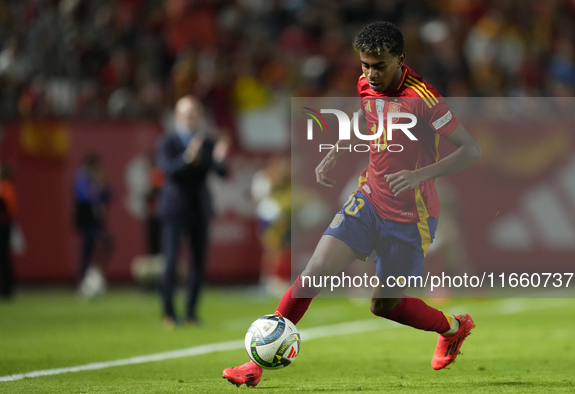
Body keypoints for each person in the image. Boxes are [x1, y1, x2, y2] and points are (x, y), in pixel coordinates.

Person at [223, 21, 482, 387]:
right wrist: (336, 149)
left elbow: (471, 150)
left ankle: (454, 328)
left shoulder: (423, 99)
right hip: (369, 199)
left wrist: (419, 176)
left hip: (411, 215)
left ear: (400, 59)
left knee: (384, 305)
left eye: (379, 65)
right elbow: (366, 116)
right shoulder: (365, 85)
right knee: (313, 274)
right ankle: (254, 366)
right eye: (365, 65)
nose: (371, 74)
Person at [157, 95, 229, 328]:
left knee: (198, 262)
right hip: (175, 207)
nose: (191, 118)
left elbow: (220, 173)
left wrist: (220, 159)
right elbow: (169, 171)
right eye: (187, 114)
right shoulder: (167, 142)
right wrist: (189, 158)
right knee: (171, 260)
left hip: (199, 207)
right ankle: (168, 313)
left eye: (195, 113)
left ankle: (191, 313)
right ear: (178, 116)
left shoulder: (206, 143)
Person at [73, 153, 113, 297]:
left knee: (95, 247)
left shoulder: (96, 177)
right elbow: (84, 196)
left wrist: (103, 188)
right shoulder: (83, 176)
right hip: (87, 220)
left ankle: (92, 278)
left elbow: (110, 195)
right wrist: (99, 190)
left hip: (95, 220)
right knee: (94, 246)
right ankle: (87, 280)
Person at [0, 163, 18, 299]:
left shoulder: (6, 187)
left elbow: (9, 209)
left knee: (4, 257)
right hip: (4, 225)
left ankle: (7, 289)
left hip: (4, 226)